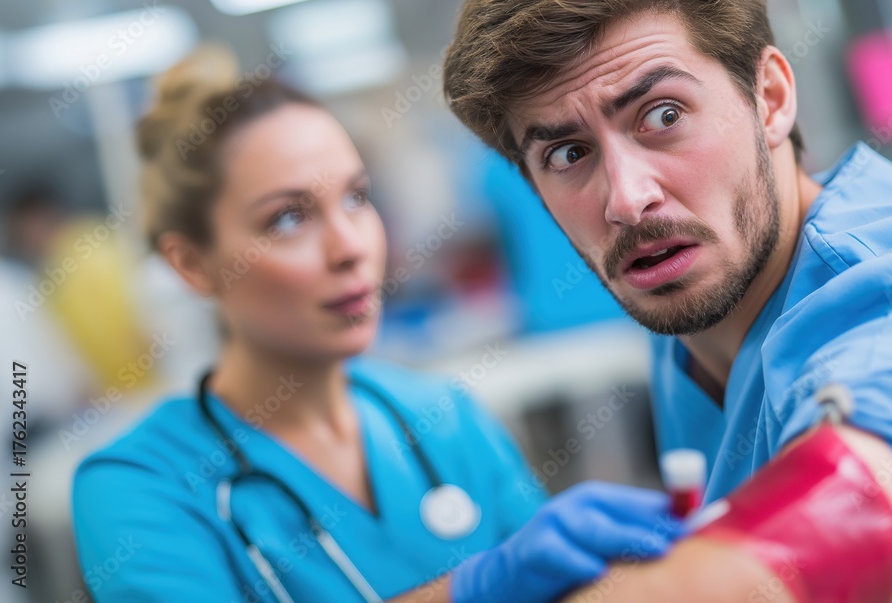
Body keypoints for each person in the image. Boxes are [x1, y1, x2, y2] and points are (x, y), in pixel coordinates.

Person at [443, 0, 892, 600]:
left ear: (768, 96)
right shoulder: (701, 305)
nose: (626, 198)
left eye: (663, 114)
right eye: (567, 154)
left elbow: (859, 500)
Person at [71, 47, 682, 603]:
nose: (350, 247)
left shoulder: (445, 417)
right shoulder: (137, 487)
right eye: (287, 219)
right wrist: (472, 590)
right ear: (192, 264)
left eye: (357, 198)